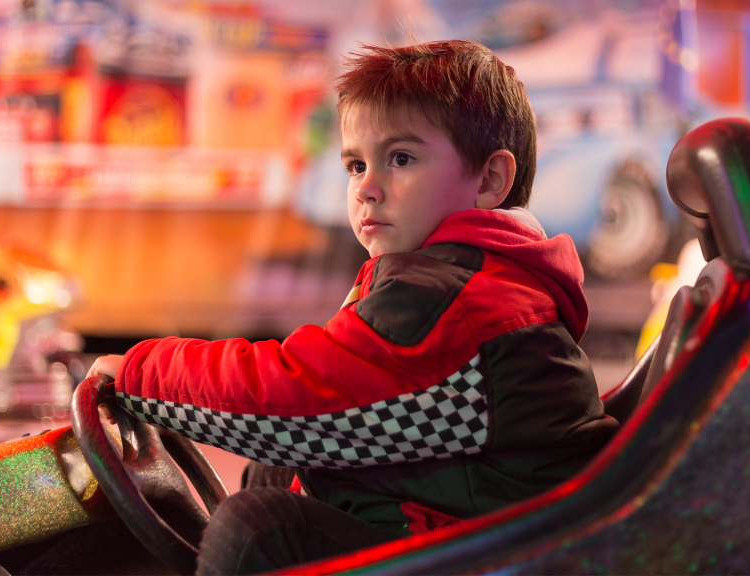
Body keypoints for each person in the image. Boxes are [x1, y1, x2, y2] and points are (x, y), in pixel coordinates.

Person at [88, 39, 619, 575]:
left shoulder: (459, 300)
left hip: (498, 557)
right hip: (468, 527)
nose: (367, 187)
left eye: (401, 159)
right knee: (277, 471)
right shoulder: (465, 278)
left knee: (260, 529)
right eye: (355, 164)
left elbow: (296, 392)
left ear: (488, 180)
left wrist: (142, 374)